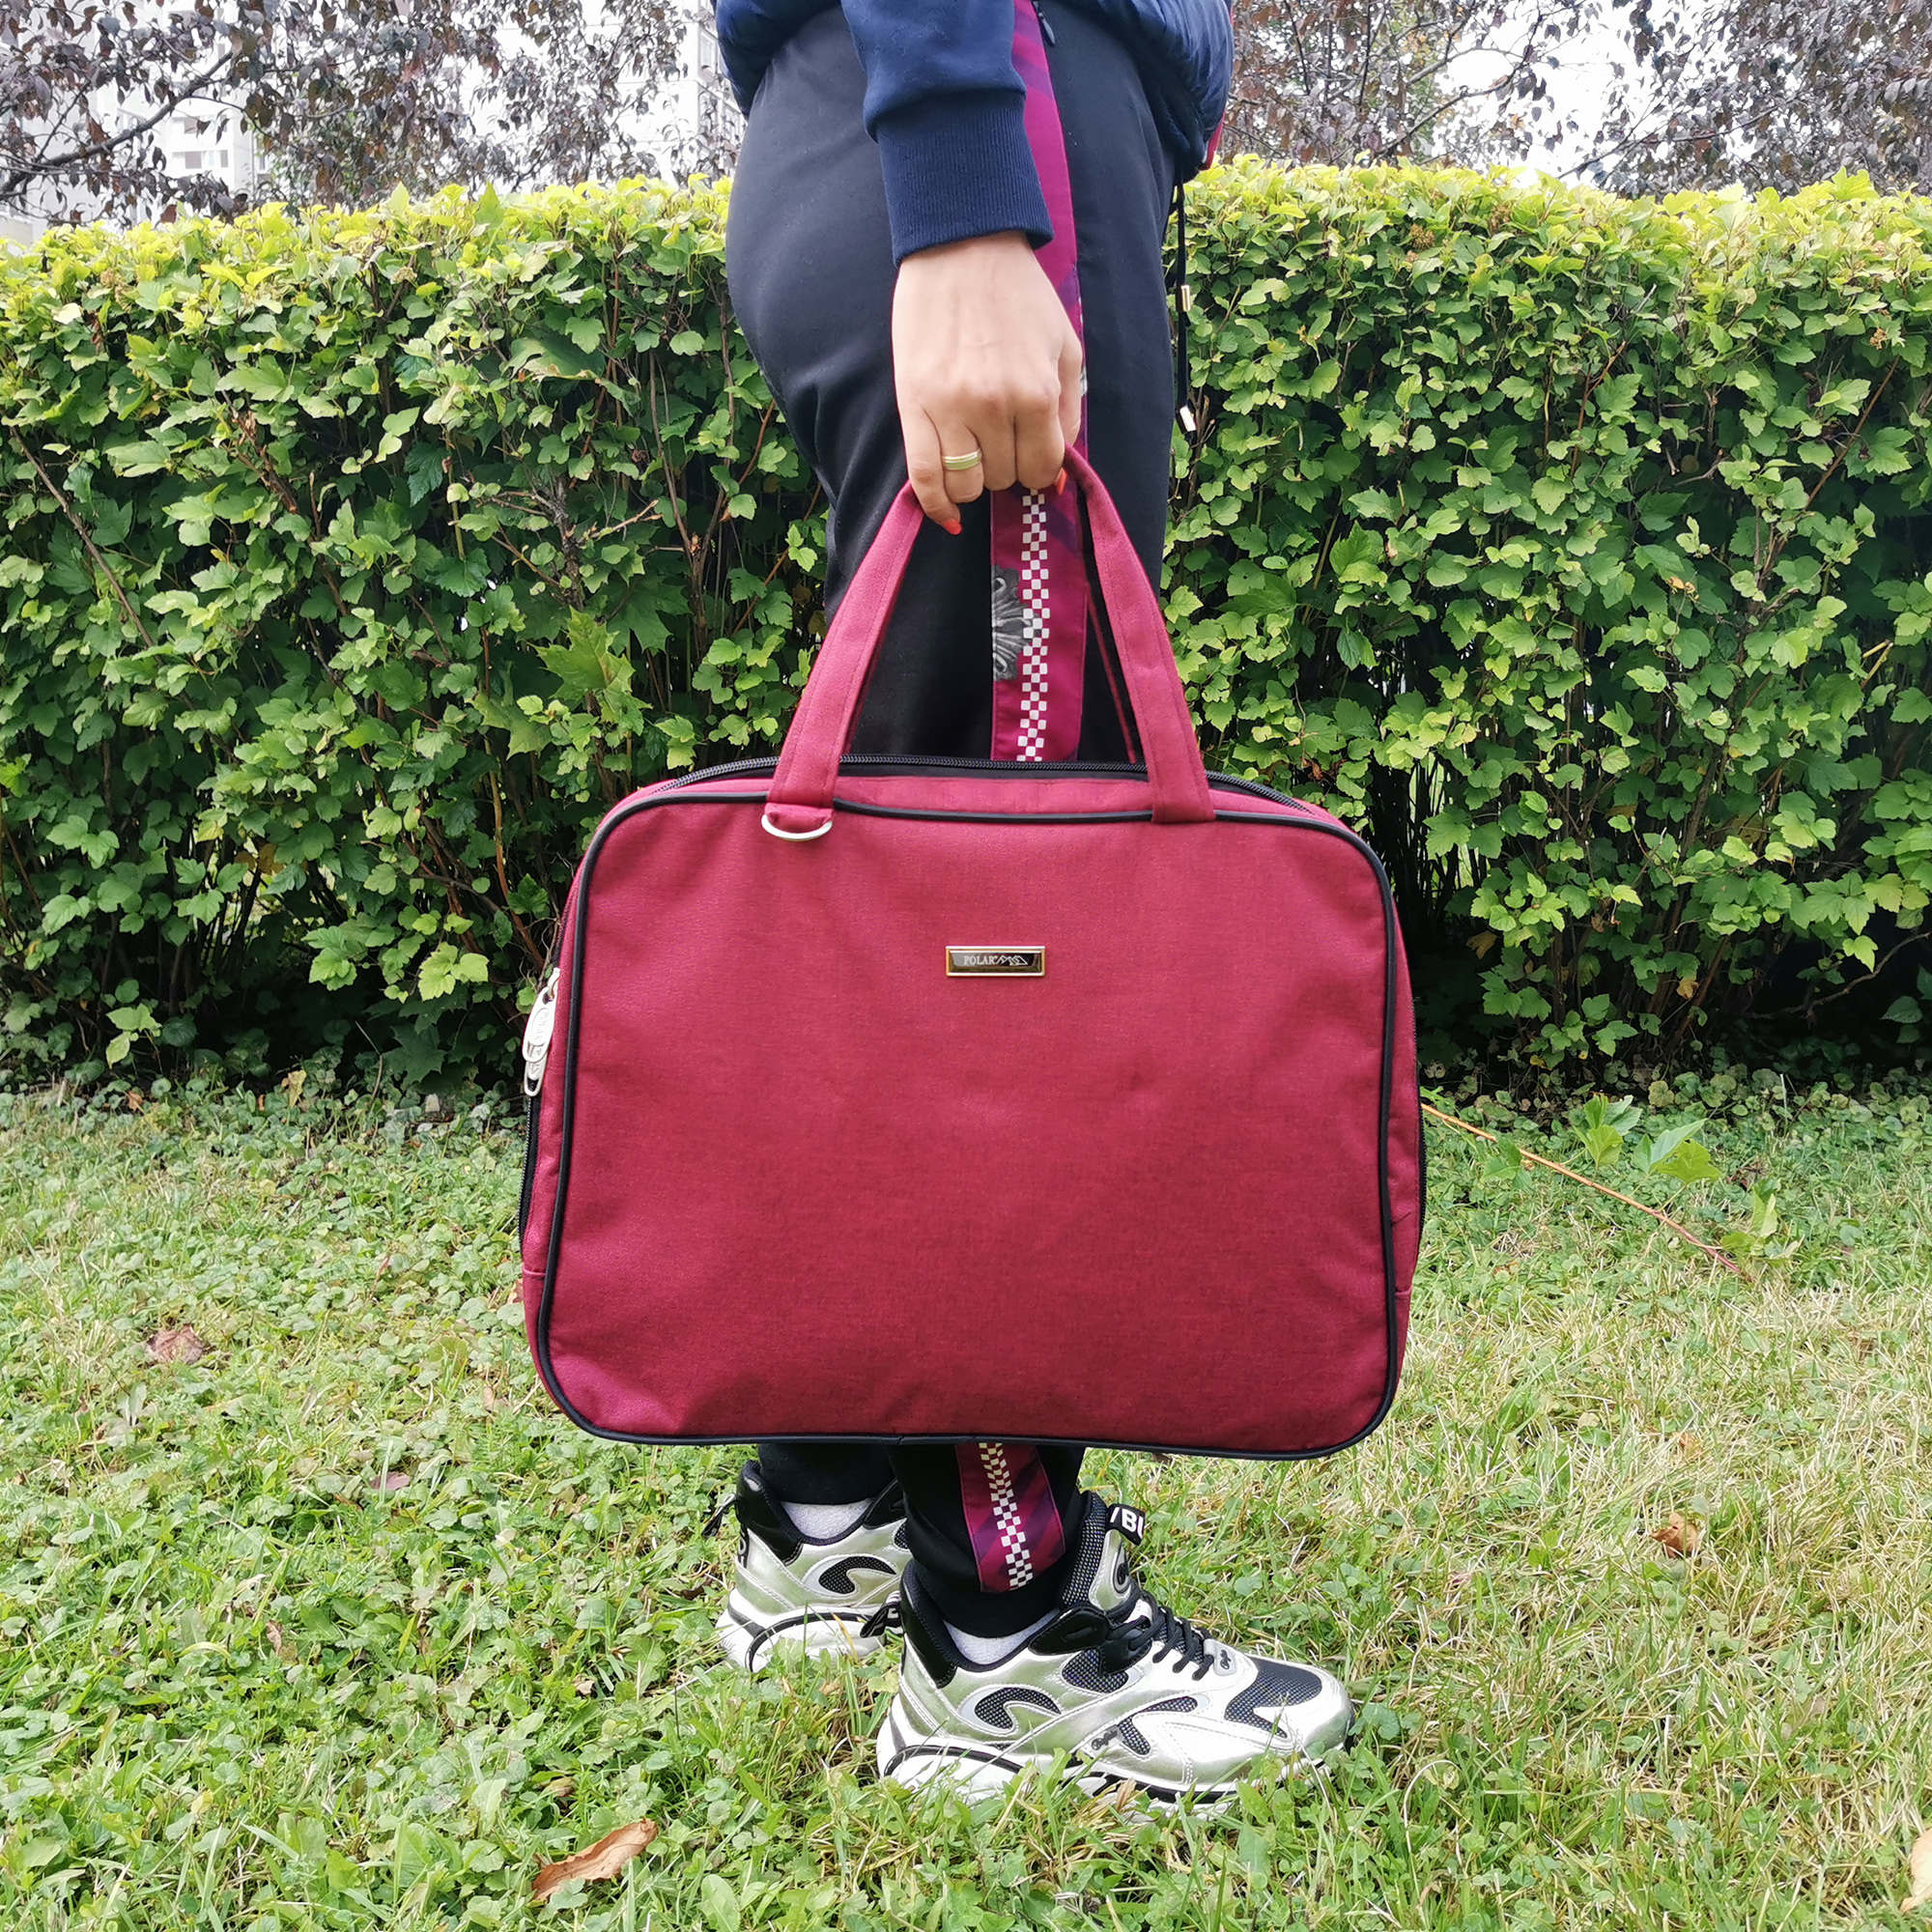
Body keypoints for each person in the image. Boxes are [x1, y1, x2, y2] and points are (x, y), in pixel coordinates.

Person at [710, 0, 1353, 1803]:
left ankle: (829, 1510)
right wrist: (969, 191)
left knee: (932, 893)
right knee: (1005, 961)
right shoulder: (972, 142)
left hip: (922, 109)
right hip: (982, 106)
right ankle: (1005, 1631)